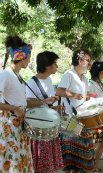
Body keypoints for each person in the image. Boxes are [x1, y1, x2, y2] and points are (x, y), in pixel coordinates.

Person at [0, 35, 56, 173]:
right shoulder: (6, 74)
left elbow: (23, 103)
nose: (30, 60)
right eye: (30, 57)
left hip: (20, 126)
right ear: (23, 57)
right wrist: (14, 108)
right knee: (11, 163)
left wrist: (43, 102)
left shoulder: (18, 76)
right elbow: (16, 106)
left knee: (21, 163)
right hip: (10, 125)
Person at [56, 48, 95, 173]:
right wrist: (73, 94)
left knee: (81, 158)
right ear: (79, 60)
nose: (89, 62)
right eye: (87, 60)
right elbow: (59, 91)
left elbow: (87, 97)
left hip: (82, 120)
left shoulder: (84, 78)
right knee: (69, 159)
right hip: (69, 121)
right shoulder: (69, 74)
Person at [26, 51, 65, 172]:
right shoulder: (32, 83)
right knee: (40, 165)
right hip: (38, 129)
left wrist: (55, 108)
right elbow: (28, 105)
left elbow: (44, 108)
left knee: (49, 166)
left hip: (49, 126)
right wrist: (44, 102)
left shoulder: (49, 80)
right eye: (55, 63)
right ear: (47, 66)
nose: (57, 66)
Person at [89, 61, 103, 172]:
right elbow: (89, 102)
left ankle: (95, 165)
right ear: (101, 72)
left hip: (102, 118)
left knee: (102, 142)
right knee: (92, 143)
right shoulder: (91, 84)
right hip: (94, 119)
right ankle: (90, 166)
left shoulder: (100, 84)